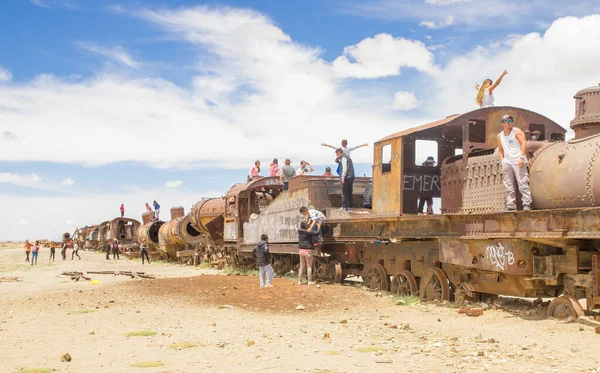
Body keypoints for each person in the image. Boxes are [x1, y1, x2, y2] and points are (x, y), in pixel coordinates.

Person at [497, 114, 532, 211]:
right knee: (508, 184)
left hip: (518, 161)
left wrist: (521, 157)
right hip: (507, 162)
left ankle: (527, 204)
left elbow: (524, 143)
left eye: (511, 121)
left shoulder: (517, 131)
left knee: (523, 182)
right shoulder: (500, 136)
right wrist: (503, 160)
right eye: (508, 121)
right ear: (503, 123)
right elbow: (500, 149)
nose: (510, 123)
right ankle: (511, 205)